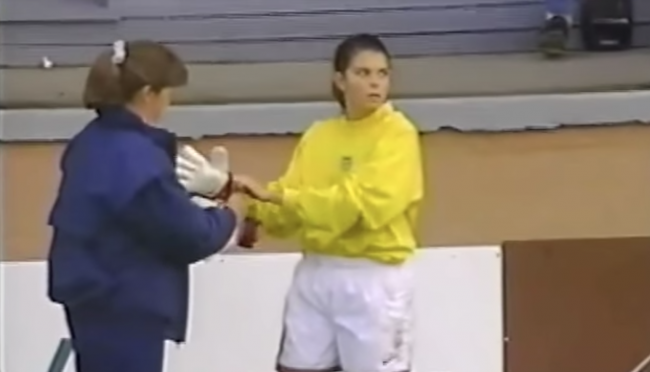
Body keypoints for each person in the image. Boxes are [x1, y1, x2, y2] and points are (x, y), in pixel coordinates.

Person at [47, 40, 247, 372]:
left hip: (91, 297)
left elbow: (139, 214)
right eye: (168, 92)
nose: (170, 101)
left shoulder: (90, 141)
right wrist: (232, 209)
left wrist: (185, 194)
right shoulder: (136, 157)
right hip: (125, 302)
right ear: (148, 93)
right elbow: (190, 236)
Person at [234, 33, 424, 372]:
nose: (375, 83)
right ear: (339, 80)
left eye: (382, 73)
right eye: (362, 73)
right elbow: (289, 210)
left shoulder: (398, 134)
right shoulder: (319, 134)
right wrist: (239, 197)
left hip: (374, 276)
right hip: (317, 270)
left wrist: (276, 196)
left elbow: (361, 207)